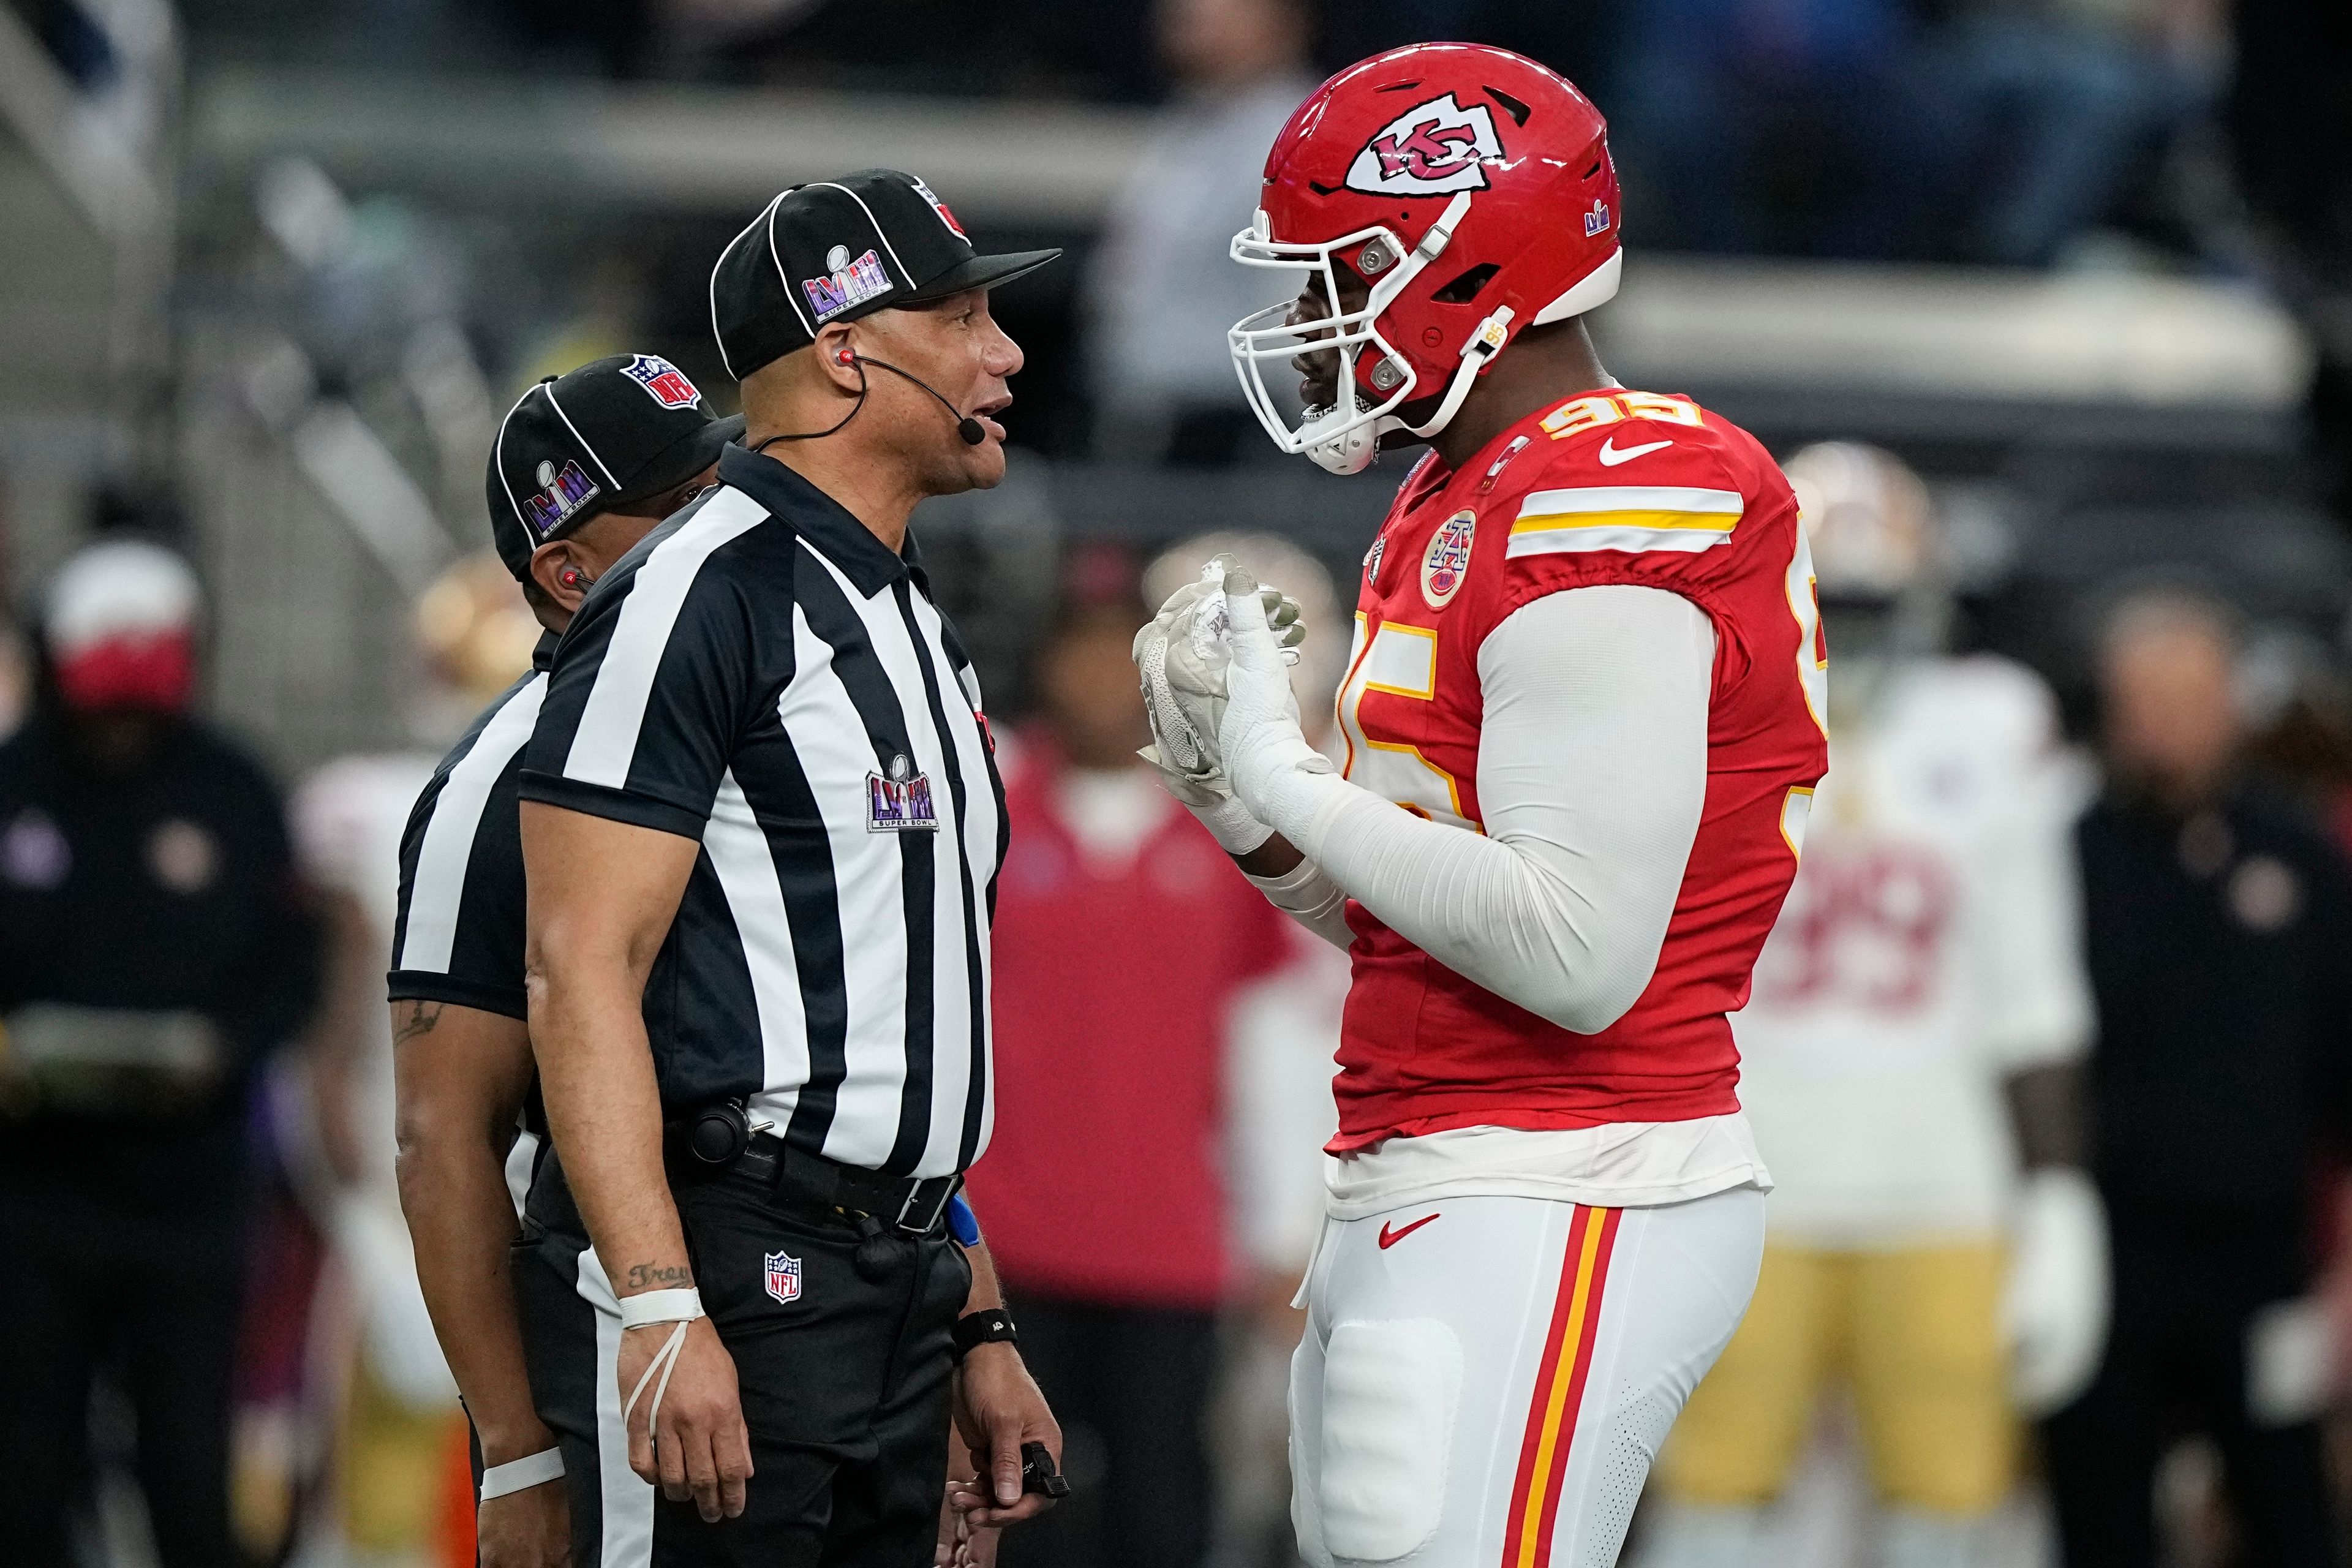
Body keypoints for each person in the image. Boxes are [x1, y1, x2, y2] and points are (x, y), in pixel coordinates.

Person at [1135, 43, 1830, 1564]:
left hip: (1565, 1158)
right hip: (1444, 1148)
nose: (1309, 314)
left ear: (1462, 259)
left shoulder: (1619, 484)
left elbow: (1572, 948)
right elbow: (1415, 916)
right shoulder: (1457, 489)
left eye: (1340, 269)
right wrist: (1244, 808)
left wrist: (1280, 771)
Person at [517, 170, 1064, 1566]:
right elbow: (581, 962)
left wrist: (974, 1317)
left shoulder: (907, 613)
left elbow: (906, 1009)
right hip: (736, 1259)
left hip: (892, 1275)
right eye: (961, 316)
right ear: (844, 348)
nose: (1004, 353)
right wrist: (656, 1301)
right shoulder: (699, 589)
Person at [1644, 444, 2104, 1567]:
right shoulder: (1690, 724)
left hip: (1943, 1186)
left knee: (1947, 1506)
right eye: (1825, 602)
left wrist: (2059, 1199)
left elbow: (2031, 994)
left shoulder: (1990, 725)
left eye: (1871, 603)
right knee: (1710, 1500)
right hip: (1743, 1184)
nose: (1849, 633)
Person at [387, 353, 740, 1568]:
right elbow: (444, 1134)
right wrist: (516, 1449)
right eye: (686, 504)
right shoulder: (501, 778)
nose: (732, 525)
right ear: (565, 565)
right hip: (622, 1328)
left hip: (816, 1313)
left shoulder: (765, 721)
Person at [960, 541, 1313, 1568]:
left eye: (1123, 656)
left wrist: (1279, 1224)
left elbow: (1266, 1045)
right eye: (1079, 653)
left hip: (1169, 1244)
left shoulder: (1221, 832)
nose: (1100, 681)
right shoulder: (991, 811)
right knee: (1013, 1509)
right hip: (1009, 1243)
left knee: (1164, 1507)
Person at [0, 533, 320, 1567]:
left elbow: (292, 963)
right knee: (23, 1466)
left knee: (188, 1467)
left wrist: (226, 1053)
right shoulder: (15, 786)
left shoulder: (233, 790)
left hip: (190, 1197)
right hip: (30, 1193)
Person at [2041, 589, 2352, 1566]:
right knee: (2100, 1521)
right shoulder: (2066, 849)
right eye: (2145, 698)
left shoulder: (2300, 853)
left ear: (2232, 702)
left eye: (2189, 694)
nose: (2166, 720)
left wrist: (2346, 1272)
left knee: (2291, 1518)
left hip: (2263, 1261)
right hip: (2107, 1259)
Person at [1082, 0, 1318, 464]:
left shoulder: (1302, 130)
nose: (1189, 14)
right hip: (1149, 415)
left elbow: (1302, 310)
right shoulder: (1192, 121)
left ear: (1279, 21)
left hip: (1240, 431)